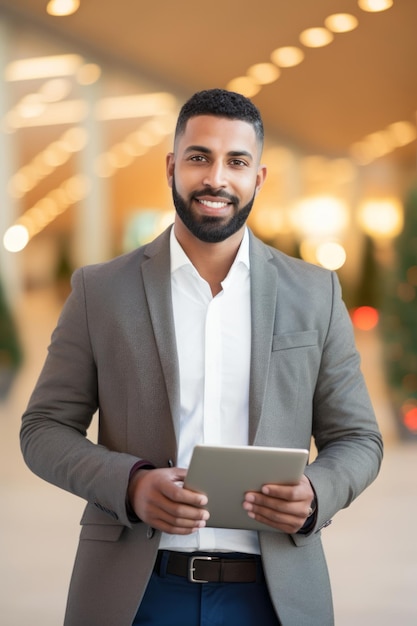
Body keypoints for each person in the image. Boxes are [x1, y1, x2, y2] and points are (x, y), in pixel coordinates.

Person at [20, 88, 383, 626]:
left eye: (236, 161)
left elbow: (358, 439)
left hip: (272, 595)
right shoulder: (101, 290)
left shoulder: (315, 293)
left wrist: (315, 493)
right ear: (172, 167)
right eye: (199, 157)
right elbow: (43, 429)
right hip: (135, 591)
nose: (216, 178)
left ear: (257, 178)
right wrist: (131, 484)